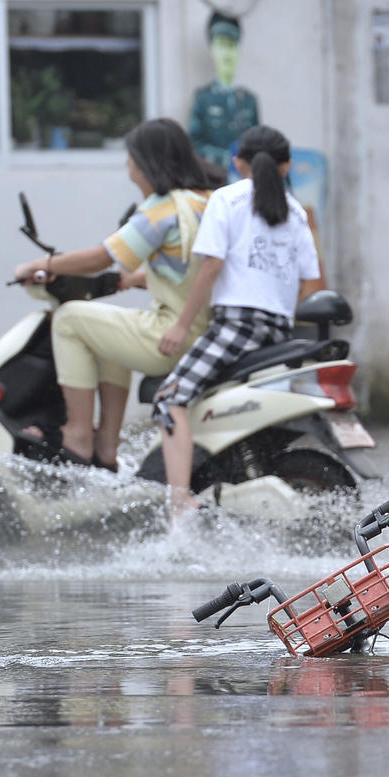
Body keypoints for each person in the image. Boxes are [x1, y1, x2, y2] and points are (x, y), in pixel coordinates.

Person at [12, 118, 214, 471]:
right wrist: (136, 279)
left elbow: (102, 257)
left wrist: (39, 264)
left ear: (149, 162)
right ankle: (106, 448)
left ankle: (77, 435)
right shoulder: (204, 202)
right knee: (108, 334)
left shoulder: (160, 209)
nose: (128, 167)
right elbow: (190, 271)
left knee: (70, 319)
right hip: (202, 333)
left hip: (171, 336)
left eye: (132, 158)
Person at [154, 124, 324, 515]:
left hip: (236, 326)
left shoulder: (226, 200)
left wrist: (181, 325)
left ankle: (180, 503)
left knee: (169, 398)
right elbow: (307, 283)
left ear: (237, 162)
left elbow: (211, 266)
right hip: (280, 331)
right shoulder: (297, 212)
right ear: (287, 166)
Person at [187, 11, 259, 172]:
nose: (227, 53)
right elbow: (193, 144)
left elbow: (258, 143)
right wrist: (225, 158)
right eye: (221, 45)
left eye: (232, 46)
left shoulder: (248, 100)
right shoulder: (203, 98)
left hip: (243, 180)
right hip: (213, 178)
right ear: (212, 50)